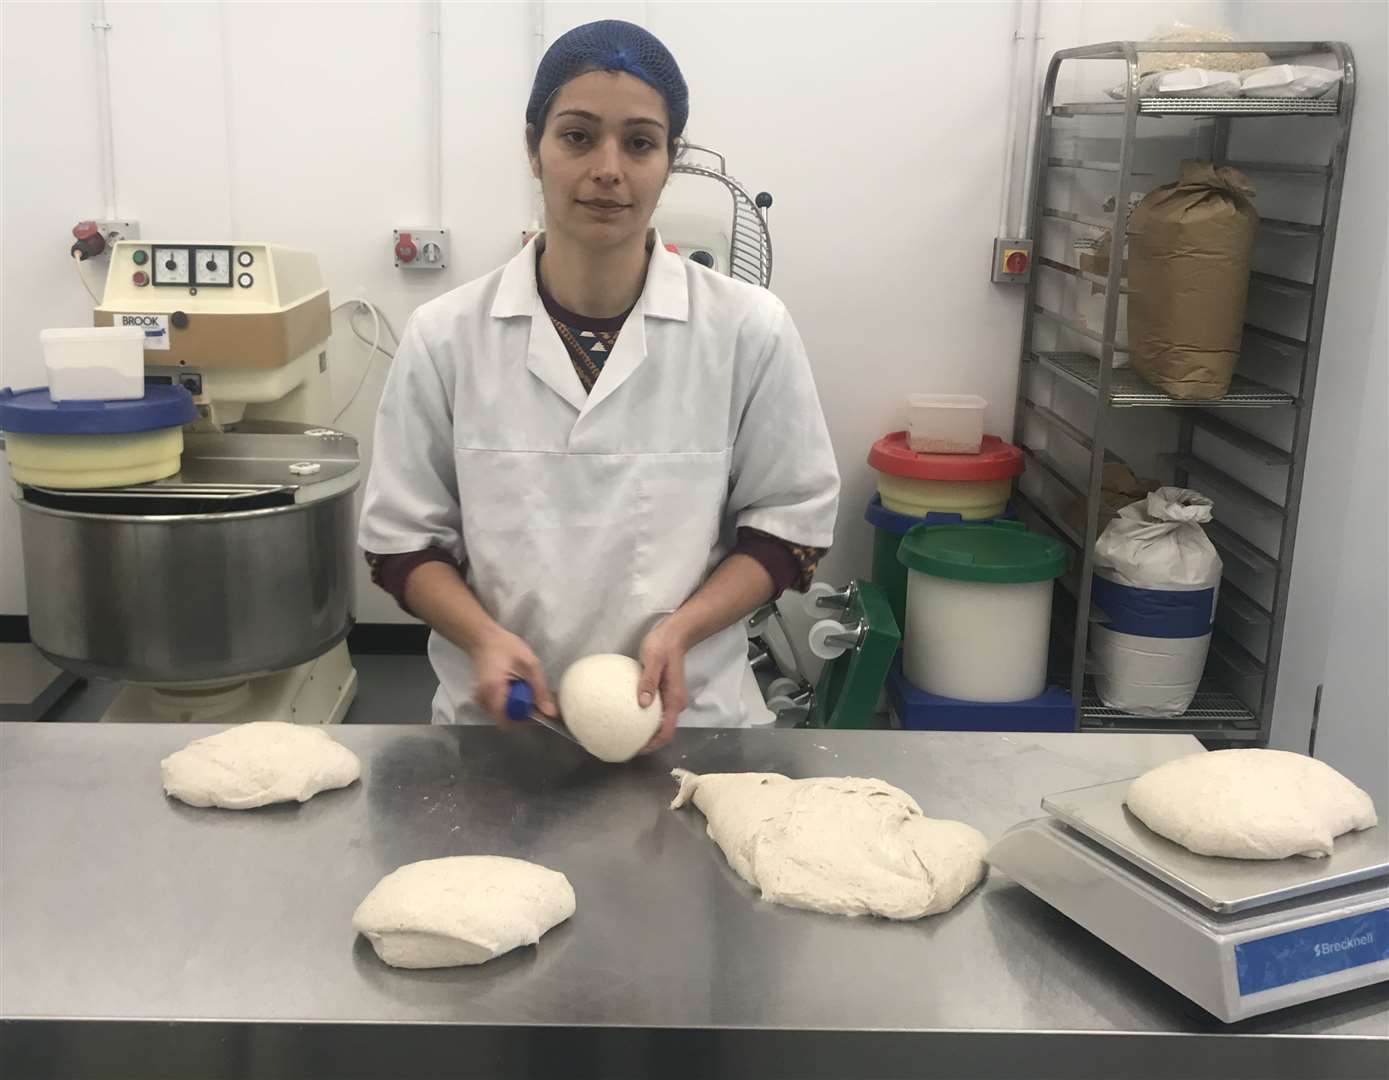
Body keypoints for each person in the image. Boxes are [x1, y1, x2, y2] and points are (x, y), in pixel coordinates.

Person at [358, 20, 838, 750]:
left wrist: (684, 630)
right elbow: (400, 542)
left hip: (693, 722)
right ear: (533, 148)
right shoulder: (446, 336)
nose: (608, 168)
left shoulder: (747, 330)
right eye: (577, 136)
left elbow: (788, 526)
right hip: (498, 727)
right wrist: (481, 638)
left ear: (669, 160)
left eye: (640, 142)